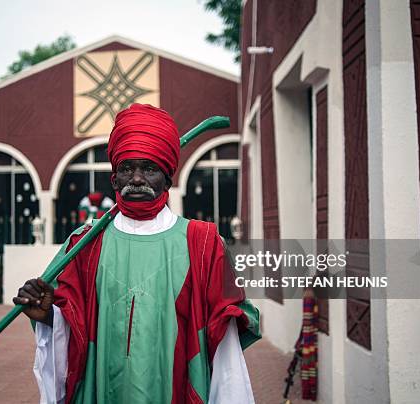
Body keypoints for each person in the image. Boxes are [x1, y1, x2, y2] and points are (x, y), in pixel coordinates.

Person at [14, 104, 260, 404]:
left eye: (150, 168)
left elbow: (225, 349)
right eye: (127, 168)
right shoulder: (85, 243)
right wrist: (51, 317)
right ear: (114, 179)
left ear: (168, 178)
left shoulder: (204, 244)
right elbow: (70, 325)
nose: (138, 179)